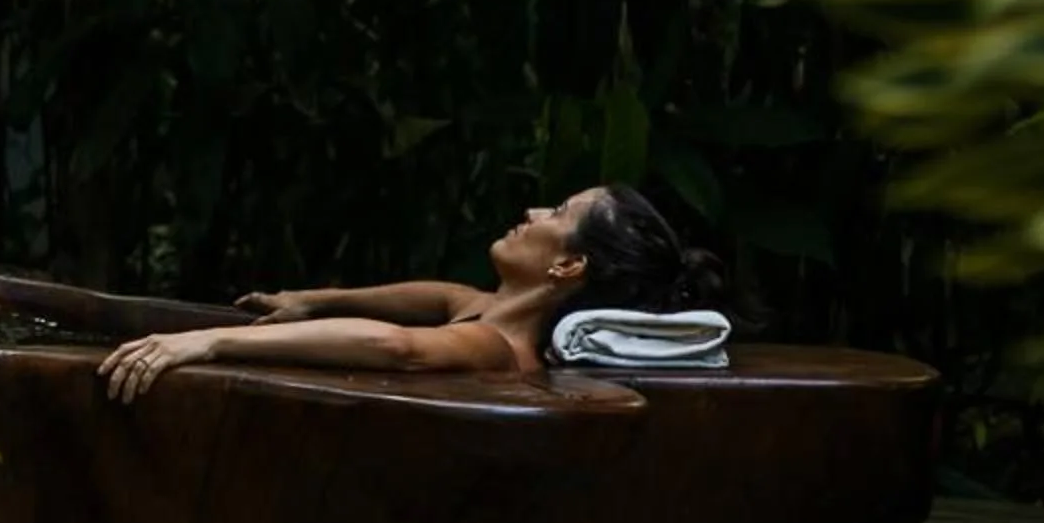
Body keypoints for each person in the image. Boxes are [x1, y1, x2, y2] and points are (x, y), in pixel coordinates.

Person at [96, 183, 728, 402]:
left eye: (557, 212)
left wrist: (209, 341)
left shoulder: (496, 348)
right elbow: (438, 296)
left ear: (566, 268)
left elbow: (399, 347)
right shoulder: (486, 312)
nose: (533, 211)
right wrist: (318, 299)